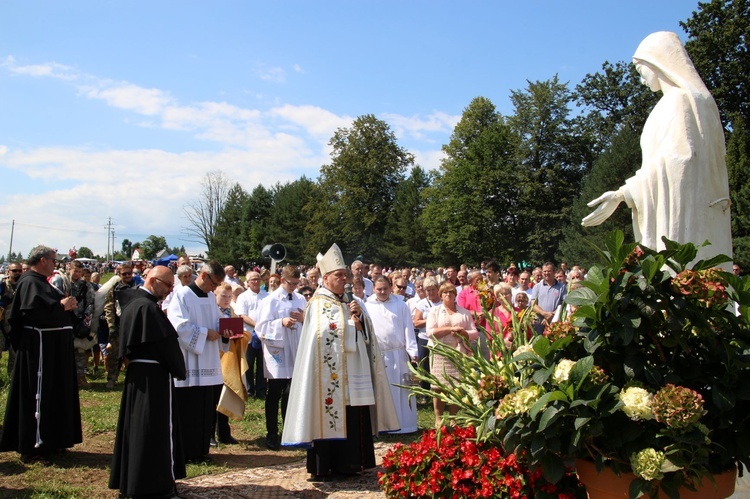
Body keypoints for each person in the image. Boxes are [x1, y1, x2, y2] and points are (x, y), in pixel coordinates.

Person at [583, 31, 732, 271]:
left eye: (641, 71)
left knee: (683, 278)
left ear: (657, 63)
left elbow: (679, 161)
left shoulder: (679, 101)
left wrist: (624, 192)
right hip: (693, 210)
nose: (641, 80)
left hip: (685, 216)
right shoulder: (690, 100)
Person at [281, 243, 399, 480]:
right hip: (329, 377)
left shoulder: (349, 300)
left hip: (355, 372)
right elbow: (322, 335)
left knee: (355, 416)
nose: (344, 279)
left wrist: (360, 320)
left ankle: (353, 463)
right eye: (339, 275)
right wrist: (350, 325)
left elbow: (366, 333)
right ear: (325, 278)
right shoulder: (318, 303)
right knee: (329, 414)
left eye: (345, 274)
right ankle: (325, 466)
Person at [109, 265, 187, 498]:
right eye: (168, 285)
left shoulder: (133, 304)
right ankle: (154, 484)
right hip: (153, 378)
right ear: (153, 281)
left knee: (137, 428)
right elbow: (166, 345)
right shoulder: (148, 309)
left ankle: (133, 481)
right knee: (153, 430)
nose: (170, 290)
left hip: (137, 375)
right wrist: (178, 368)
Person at [0, 245, 81, 464]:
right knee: (38, 396)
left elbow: (52, 307)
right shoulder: (29, 282)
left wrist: (68, 306)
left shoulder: (42, 283)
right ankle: (33, 445)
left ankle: (52, 440)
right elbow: (32, 314)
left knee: (55, 394)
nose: (56, 264)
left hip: (55, 350)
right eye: (54, 260)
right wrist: (61, 307)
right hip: (41, 351)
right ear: (43, 260)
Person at [168, 260, 229, 461]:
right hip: (190, 362)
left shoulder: (211, 298)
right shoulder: (182, 295)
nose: (215, 288)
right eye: (214, 283)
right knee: (189, 409)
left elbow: (217, 322)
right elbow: (179, 327)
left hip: (209, 361)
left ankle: (202, 449)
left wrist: (226, 332)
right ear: (203, 275)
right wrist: (204, 334)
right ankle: (186, 451)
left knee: (205, 409)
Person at [255, 265, 306, 450]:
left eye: (296, 283)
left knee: (291, 393)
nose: (294, 287)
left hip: (295, 349)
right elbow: (261, 327)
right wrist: (281, 322)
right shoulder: (271, 301)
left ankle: (289, 431)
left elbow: (308, 321)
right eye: (291, 283)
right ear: (282, 280)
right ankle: (272, 433)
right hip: (278, 350)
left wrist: (302, 318)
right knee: (274, 393)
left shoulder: (300, 298)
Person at [365, 276, 418, 434]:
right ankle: (383, 425)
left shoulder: (400, 305)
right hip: (378, 354)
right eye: (379, 289)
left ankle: (404, 425)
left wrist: (413, 352)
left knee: (401, 389)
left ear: (391, 287)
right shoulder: (367, 306)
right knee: (382, 391)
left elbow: (408, 328)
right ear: (373, 288)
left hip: (398, 354)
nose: (382, 292)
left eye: (385, 289)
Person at [426, 281, 477, 428]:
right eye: (445, 292)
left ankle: (454, 418)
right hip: (440, 352)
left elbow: (474, 332)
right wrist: (450, 329)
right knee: (438, 386)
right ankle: (438, 418)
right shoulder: (435, 311)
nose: (448, 295)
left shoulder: (464, 312)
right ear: (440, 295)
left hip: (458, 353)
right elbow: (430, 332)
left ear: (455, 294)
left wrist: (464, 333)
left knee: (456, 386)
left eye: (451, 292)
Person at [235, 270, 268, 400]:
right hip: (248, 334)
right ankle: (249, 390)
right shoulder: (243, 297)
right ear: (247, 282)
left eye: (258, 279)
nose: (255, 281)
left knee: (262, 363)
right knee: (248, 363)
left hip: (264, 334)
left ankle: (261, 390)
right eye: (253, 279)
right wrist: (257, 325)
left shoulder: (266, 296)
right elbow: (242, 315)